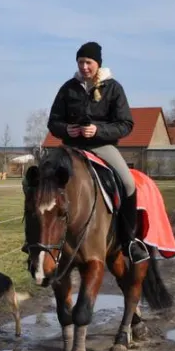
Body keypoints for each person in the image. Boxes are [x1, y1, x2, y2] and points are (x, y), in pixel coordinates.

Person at [46, 41, 149, 263]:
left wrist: (98, 130)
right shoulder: (68, 88)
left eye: (88, 62)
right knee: (43, 178)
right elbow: (53, 122)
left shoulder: (113, 88)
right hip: (71, 147)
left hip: (101, 146)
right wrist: (66, 129)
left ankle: (129, 241)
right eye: (80, 62)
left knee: (128, 183)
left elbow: (126, 124)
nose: (84, 67)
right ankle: (39, 242)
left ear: (98, 64)